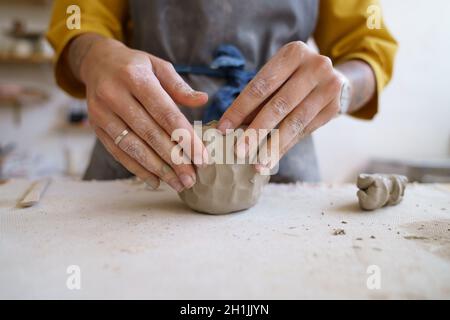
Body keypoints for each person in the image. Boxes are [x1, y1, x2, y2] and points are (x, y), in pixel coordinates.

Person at [47, 0, 397, 192]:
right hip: (138, 149)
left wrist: (342, 87)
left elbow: (368, 48)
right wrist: (91, 55)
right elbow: (78, 20)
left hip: (279, 160)